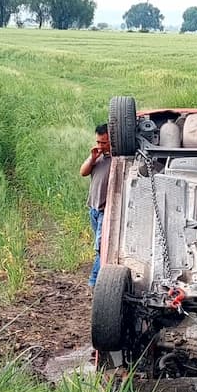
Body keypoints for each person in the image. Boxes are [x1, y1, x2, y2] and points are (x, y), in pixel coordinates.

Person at [80, 124, 111, 289]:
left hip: (106, 210)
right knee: (99, 245)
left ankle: (94, 282)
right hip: (93, 208)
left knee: (101, 247)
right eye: (98, 142)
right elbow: (83, 172)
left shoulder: (117, 160)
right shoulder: (96, 156)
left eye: (104, 143)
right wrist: (92, 158)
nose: (100, 146)